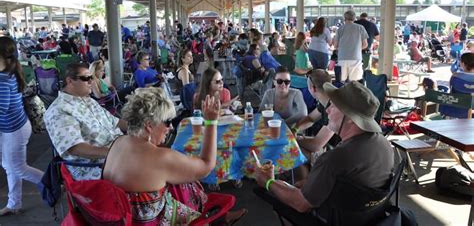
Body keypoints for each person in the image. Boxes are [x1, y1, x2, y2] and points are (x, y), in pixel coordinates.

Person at [102, 88, 246, 224]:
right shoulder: (161, 158)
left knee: (181, 177)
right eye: (167, 122)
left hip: (123, 217)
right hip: (151, 221)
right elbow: (207, 165)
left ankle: (217, 218)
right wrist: (211, 122)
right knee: (188, 179)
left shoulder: (118, 142)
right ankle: (211, 219)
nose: (171, 127)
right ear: (149, 125)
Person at [255, 81, 394, 221]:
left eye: (333, 106)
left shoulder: (334, 158)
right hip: (368, 217)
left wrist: (268, 181)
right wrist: (315, 183)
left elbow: (301, 204)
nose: (327, 110)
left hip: (330, 218)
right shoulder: (385, 145)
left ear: (351, 119)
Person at [44, 63, 127, 180]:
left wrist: (142, 127)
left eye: (91, 78)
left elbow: (115, 122)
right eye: (86, 78)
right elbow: (75, 148)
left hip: (117, 150)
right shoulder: (59, 110)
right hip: (93, 166)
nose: (91, 82)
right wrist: (113, 153)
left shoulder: (89, 100)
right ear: (70, 81)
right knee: (148, 170)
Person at [0, 37, 44, 216]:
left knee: (17, 167)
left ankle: (54, 182)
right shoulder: (8, 73)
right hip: (12, 129)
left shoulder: (3, 80)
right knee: (10, 166)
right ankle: (14, 203)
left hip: (14, 131)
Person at [333, 10, 368, 82]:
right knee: (355, 82)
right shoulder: (360, 28)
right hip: (356, 57)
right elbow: (365, 44)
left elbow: (335, 45)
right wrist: (357, 49)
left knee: (342, 82)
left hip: (342, 57)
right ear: (354, 18)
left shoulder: (340, 29)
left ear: (344, 18)